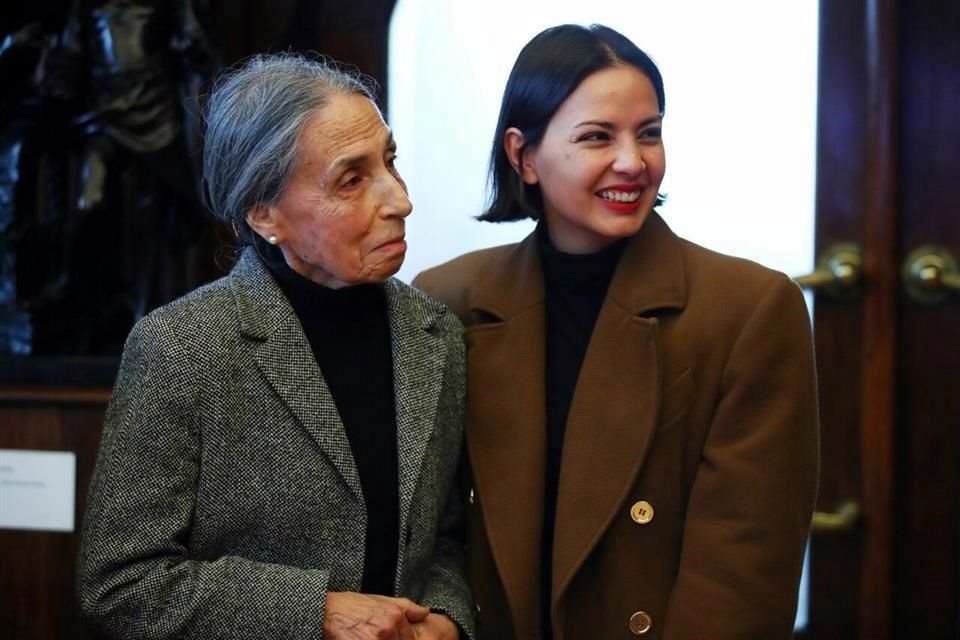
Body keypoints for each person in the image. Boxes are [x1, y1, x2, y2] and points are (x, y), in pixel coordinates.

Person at [413, 24, 819, 640]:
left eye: (649, 133)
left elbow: (744, 573)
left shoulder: (751, 310)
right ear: (523, 155)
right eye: (597, 137)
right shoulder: (450, 302)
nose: (634, 162)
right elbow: (429, 535)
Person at [77, 52, 474, 640]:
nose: (399, 200)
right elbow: (119, 584)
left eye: (390, 162)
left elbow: (444, 537)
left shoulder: (434, 332)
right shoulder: (183, 345)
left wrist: (447, 620)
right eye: (351, 179)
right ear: (265, 214)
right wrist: (314, 614)